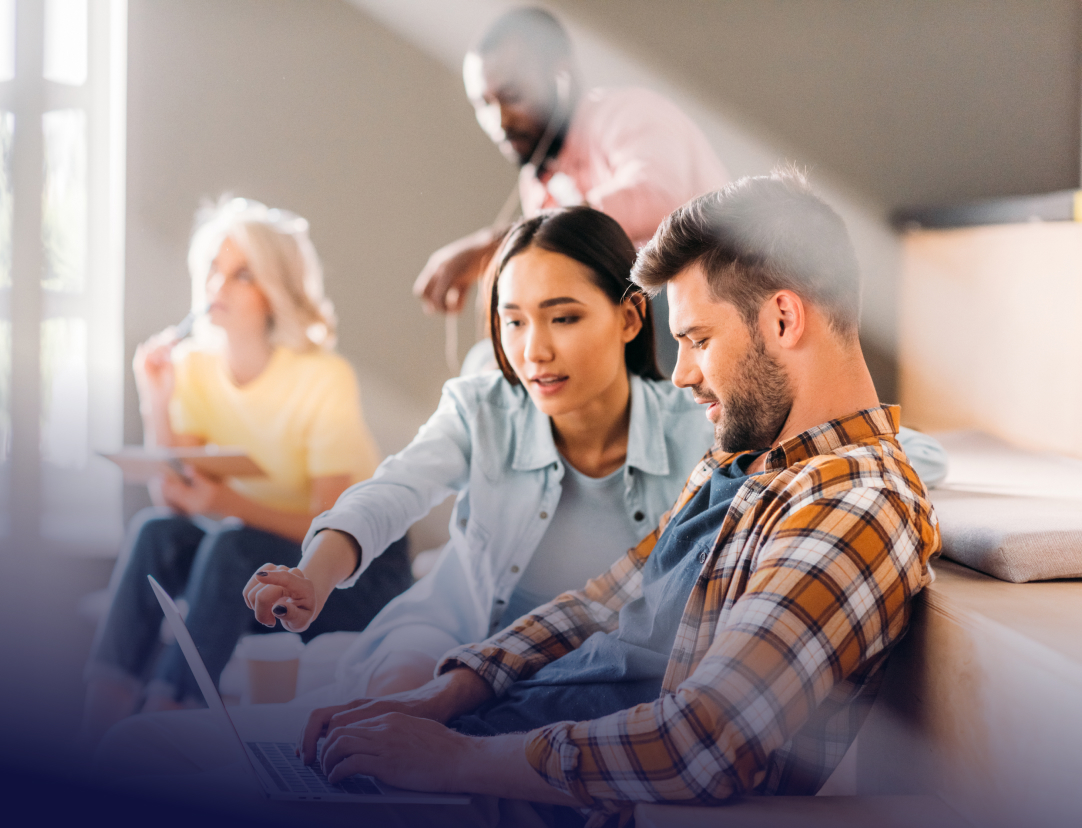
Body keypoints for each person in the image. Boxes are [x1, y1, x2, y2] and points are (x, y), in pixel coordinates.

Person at [295, 171, 942, 825]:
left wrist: (450, 759)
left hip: (520, 796)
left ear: (783, 318)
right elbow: (603, 603)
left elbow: (700, 743)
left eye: (698, 340)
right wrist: (440, 698)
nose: (681, 373)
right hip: (473, 756)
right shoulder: (742, 461)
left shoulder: (854, 507)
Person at [242, 206, 714, 700]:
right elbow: (393, 491)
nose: (534, 351)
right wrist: (311, 577)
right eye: (513, 322)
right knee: (391, 705)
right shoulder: (481, 409)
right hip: (454, 638)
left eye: (563, 318)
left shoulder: (696, 430)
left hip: (599, 667)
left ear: (630, 318)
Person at [80, 198, 411, 748]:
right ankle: (96, 727)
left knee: (233, 544)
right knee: (154, 532)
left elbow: (329, 525)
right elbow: (174, 499)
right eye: (214, 268)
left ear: (275, 291)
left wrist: (226, 505)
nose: (219, 285)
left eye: (242, 274)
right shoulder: (195, 368)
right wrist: (155, 398)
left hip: (352, 571)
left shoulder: (323, 377)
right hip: (262, 562)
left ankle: (166, 718)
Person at [414, 7, 728, 370]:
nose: (499, 121)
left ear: (561, 75)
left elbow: (656, 200)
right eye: (484, 104)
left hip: (705, 298)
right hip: (638, 328)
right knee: (488, 363)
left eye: (512, 95)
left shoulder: (629, 112)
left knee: (646, 294)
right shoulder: (538, 182)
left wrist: (499, 242)